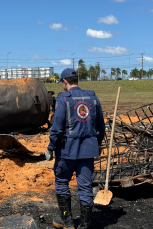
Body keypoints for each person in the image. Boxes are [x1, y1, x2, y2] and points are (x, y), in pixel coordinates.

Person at [45, 68, 105, 229]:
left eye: (62, 83)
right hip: (88, 151)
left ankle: (67, 221)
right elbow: (100, 126)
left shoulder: (63, 99)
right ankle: (85, 225)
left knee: (62, 182)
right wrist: (97, 144)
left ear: (65, 82)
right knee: (85, 185)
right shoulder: (93, 97)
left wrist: (51, 148)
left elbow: (57, 128)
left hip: (67, 151)